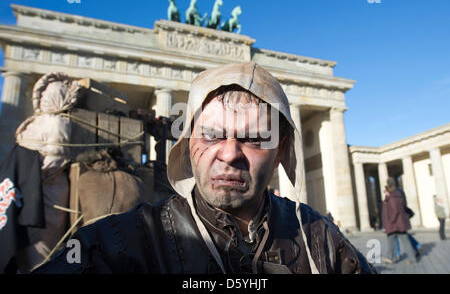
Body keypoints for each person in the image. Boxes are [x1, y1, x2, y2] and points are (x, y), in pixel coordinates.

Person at [33, 62, 376, 274]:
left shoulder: (320, 238)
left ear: (281, 150)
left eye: (255, 138)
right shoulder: (119, 242)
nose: (229, 154)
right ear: (188, 140)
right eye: (212, 134)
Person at [381, 177, 418, 264]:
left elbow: (394, 210)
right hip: (399, 223)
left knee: (394, 240)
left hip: (394, 224)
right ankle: (392, 257)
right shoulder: (397, 195)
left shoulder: (392, 197)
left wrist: (391, 221)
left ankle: (391, 257)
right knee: (398, 240)